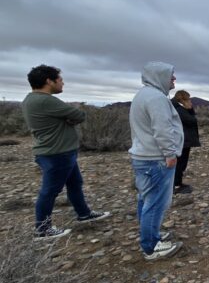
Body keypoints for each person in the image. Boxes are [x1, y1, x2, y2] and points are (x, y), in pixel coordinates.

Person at [21, 64, 111, 240]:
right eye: (60, 80)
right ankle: (43, 229)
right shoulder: (46, 100)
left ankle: (84, 214)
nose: (62, 83)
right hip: (57, 153)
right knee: (49, 191)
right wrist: (70, 117)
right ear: (49, 81)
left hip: (55, 151)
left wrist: (66, 120)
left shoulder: (29, 99)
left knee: (75, 183)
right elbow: (79, 115)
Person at [128, 61, 184, 261]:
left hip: (145, 157)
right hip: (156, 159)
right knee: (155, 202)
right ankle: (151, 247)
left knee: (146, 199)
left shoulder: (143, 94)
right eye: (171, 75)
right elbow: (162, 130)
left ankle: (150, 236)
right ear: (159, 76)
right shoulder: (156, 98)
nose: (174, 79)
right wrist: (170, 154)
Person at [171, 90, 200, 194]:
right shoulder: (179, 109)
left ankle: (177, 183)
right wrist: (190, 109)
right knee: (180, 163)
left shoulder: (177, 107)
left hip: (183, 139)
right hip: (182, 140)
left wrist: (190, 109)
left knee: (181, 163)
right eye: (188, 99)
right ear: (183, 99)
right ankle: (176, 185)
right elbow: (191, 120)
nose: (190, 101)